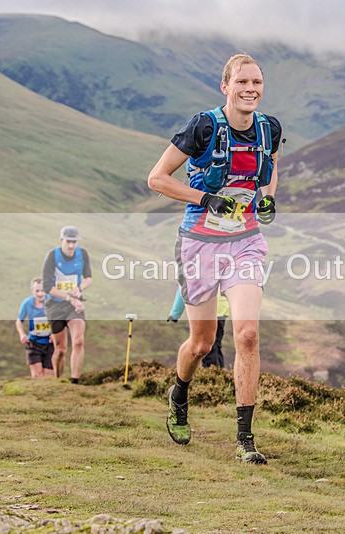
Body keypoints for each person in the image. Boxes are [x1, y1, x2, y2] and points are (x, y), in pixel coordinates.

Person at [147, 53, 282, 464]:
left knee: (247, 336)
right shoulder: (203, 126)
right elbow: (157, 179)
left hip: (245, 241)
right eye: (242, 82)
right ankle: (180, 392)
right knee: (202, 343)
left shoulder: (269, 129)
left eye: (257, 82)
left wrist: (267, 197)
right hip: (199, 243)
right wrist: (207, 198)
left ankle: (245, 438)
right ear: (225, 86)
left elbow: (270, 168)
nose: (250, 89)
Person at [42, 226, 93, 384]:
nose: (71, 246)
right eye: (68, 242)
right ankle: (58, 379)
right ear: (61, 241)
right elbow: (47, 287)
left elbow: (89, 278)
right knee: (61, 348)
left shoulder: (82, 254)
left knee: (78, 341)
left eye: (74, 242)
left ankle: (74, 381)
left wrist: (79, 288)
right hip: (55, 305)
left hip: (74, 306)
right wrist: (69, 297)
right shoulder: (52, 256)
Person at [167, 288, 230, 368]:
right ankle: (218, 373)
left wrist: (175, 313)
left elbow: (184, 286)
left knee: (206, 345)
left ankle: (210, 373)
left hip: (206, 311)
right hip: (222, 310)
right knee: (216, 344)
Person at [15, 277, 55, 378]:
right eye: (37, 291)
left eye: (42, 290)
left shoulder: (52, 302)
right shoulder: (27, 303)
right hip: (33, 343)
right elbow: (19, 321)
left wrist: (55, 334)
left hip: (50, 344)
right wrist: (22, 334)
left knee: (49, 376)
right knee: (37, 375)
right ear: (32, 291)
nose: (40, 294)